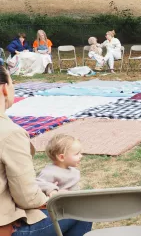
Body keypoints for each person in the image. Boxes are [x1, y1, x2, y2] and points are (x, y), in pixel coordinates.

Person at [0, 66, 92, 236]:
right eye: (13, 83)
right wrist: (52, 196)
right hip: (6, 229)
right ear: (4, 88)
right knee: (84, 207)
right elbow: (27, 198)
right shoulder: (10, 133)